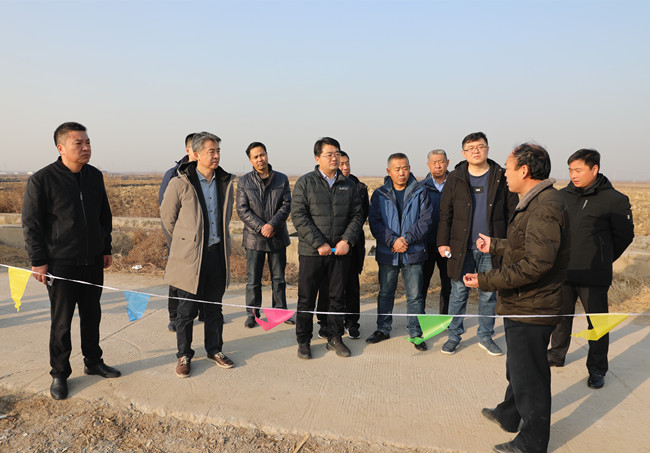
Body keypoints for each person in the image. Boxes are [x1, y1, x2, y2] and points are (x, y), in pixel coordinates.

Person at [464, 143, 569, 453]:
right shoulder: (535, 201)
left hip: (532, 305)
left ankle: (533, 441)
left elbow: (537, 264)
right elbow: (525, 245)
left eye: (508, 169)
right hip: (522, 302)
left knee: (530, 376)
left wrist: (486, 280)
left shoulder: (545, 206)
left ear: (524, 170)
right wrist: (495, 245)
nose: (504, 175)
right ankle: (509, 414)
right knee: (518, 367)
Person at [22, 122, 121, 400]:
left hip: (92, 260)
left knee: (92, 315)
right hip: (60, 263)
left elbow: (104, 215)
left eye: (88, 142)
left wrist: (105, 247)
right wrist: (38, 260)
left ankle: (93, 361)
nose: (86, 148)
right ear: (61, 148)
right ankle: (59, 373)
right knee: (62, 322)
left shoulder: (94, 176)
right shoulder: (42, 180)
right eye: (79, 143)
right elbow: (31, 224)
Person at [547, 149, 634, 389]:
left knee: (597, 324)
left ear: (594, 169)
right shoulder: (562, 196)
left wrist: (603, 258)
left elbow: (624, 236)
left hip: (594, 274)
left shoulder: (614, 200)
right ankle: (556, 355)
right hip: (563, 272)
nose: (573, 175)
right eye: (570, 170)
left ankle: (597, 369)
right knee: (561, 318)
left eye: (578, 170)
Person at [160, 131, 236, 377]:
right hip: (190, 258)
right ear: (196, 154)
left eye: (218, 151)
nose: (216, 156)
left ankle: (215, 349)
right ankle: (184, 354)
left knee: (214, 308)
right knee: (186, 311)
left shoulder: (224, 183)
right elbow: (167, 219)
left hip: (216, 254)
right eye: (211, 151)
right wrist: (182, 246)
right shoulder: (180, 183)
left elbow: (224, 219)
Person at [437, 132, 518, 356]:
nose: (476, 151)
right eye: (470, 148)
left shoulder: (500, 176)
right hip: (461, 247)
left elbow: (512, 212)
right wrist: (443, 242)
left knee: (489, 293)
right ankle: (454, 336)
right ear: (463, 153)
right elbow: (445, 213)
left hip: (492, 246)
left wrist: (508, 243)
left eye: (480, 146)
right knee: (458, 292)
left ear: (487, 149)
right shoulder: (455, 177)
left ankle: (485, 336)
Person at [291, 137, 364, 359]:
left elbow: (357, 215)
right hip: (312, 252)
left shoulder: (348, 185)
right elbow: (299, 216)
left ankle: (335, 337)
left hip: (340, 252)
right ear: (317, 158)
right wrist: (319, 243)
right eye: (329, 154)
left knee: (336, 297)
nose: (335, 158)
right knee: (307, 298)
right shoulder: (305, 183)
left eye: (337, 153)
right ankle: (304, 340)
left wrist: (346, 241)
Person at [366, 153, 433, 350]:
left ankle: (415, 332)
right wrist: (393, 240)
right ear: (389, 171)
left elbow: (426, 220)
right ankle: (383, 328)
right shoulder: (380, 194)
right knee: (386, 292)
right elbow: (375, 223)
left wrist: (406, 239)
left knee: (415, 295)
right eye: (397, 169)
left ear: (409, 168)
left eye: (405, 168)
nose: (401, 173)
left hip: (414, 251)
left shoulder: (421, 191)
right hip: (389, 252)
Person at [236, 142, 294, 328]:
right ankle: (252, 314)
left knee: (279, 278)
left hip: (277, 236)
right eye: (255, 157)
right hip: (254, 238)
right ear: (250, 160)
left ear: (267, 155)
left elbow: (286, 204)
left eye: (262, 155)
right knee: (253, 280)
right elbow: (242, 209)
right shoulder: (244, 181)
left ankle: (280, 312)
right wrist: (261, 227)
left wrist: (272, 225)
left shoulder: (281, 179)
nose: (260, 159)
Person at [314, 150, 369, 339]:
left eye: (347, 163)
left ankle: (352, 322)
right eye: (341, 163)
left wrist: (347, 239)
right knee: (326, 286)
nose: (344, 167)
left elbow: (360, 217)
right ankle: (324, 322)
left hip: (351, 244)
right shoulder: (326, 185)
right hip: (329, 244)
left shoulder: (359, 187)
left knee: (352, 286)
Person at [158, 133, 196, 332]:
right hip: (179, 236)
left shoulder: (207, 174)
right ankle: (174, 315)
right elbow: (166, 211)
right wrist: (177, 238)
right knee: (177, 275)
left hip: (200, 236)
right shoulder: (173, 174)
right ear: (188, 150)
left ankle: (203, 311)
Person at [419, 149, 452, 314]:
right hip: (426, 243)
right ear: (428, 165)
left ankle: (445, 319)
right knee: (422, 283)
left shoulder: (456, 185)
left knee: (448, 284)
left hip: (449, 243)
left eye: (441, 162)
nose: (438, 165)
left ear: (447, 163)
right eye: (434, 162)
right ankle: (418, 319)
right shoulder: (421, 188)